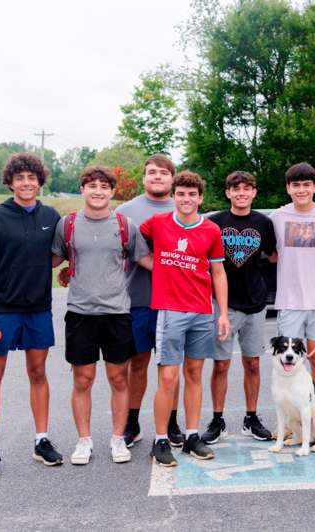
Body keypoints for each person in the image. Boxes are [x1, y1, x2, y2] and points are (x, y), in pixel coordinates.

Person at [0, 153, 62, 477]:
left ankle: (41, 440)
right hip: (1, 310)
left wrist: (67, 269)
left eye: (31, 178)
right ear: (10, 182)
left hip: (38, 310)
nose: (26, 183)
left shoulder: (51, 215)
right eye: (19, 178)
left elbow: (55, 256)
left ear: (39, 181)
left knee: (38, 373)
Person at [52, 165, 152, 465]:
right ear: (82, 189)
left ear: (112, 191)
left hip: (117, 313)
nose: (97, 191)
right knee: (82, 379)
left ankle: (117, 439)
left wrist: (185, 272)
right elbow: (54, 258)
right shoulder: (67, 224)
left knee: (119, 378)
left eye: (104, 186)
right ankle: (84, 441)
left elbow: (145, 259)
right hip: (81, 313)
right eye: (91, 185)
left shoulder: (125, 225)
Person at [140, 170, 231, 467]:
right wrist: (154, 267)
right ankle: (161, 439)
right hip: (170, 310)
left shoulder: (211, 230)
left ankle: (192, 435)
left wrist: (223, 314)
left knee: (194, 373)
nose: (186, 199)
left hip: (202, 311)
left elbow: (218, 273)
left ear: (201, 198)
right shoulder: (158, 223)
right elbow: (132, 243)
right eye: (181, 194)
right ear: (173, 196)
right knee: (168, 377)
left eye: (192, 194)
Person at [201, 171, 277, 444]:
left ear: (254, 192)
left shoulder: (264, 223)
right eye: (236, 189)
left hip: (255, 304)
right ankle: (217, 419)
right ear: (228, 193)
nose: (242, 193)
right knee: (221, 364)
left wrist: (263, 284)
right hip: (224, 304)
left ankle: (251, 417)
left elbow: (273, 256)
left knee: (253, 363)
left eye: (247, 189)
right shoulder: (215, 222)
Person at [116, 154, 184, 448]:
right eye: (152, 172)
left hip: (175, 302)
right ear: (144, 178)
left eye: (163, 173)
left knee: (170, 366)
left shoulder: (184, 207)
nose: (157, 177)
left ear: (172, 178)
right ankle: (132, 422)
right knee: (139, 361)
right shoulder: (126, 211)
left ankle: (171, 423)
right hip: (138, 299)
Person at [270, 162, 315, 394]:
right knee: (288, 364)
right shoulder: (276, 218)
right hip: (290, 302)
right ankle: (292, 419)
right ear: (288, 188)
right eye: (296, 185)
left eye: (306, 185)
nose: (301, 190)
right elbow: (269, 254)